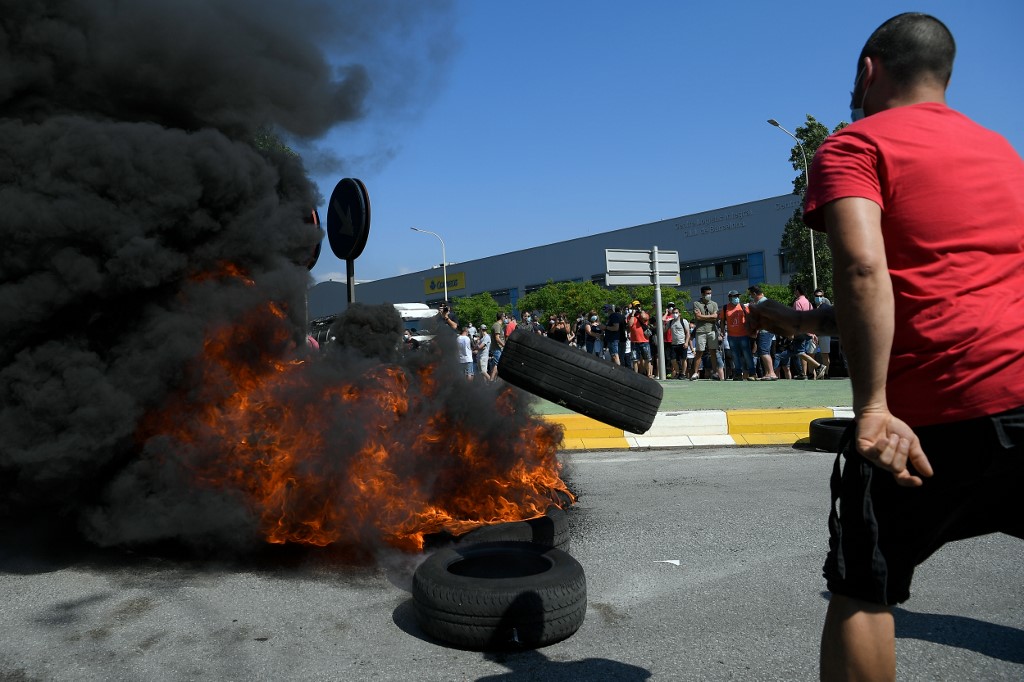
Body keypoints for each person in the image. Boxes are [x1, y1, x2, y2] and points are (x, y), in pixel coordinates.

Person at [747, 14, 1024, 681]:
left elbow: (866, 272)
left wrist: (871, 406)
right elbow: (940, 287)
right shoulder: (1003, 152)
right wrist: (807, 324)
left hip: (932, 415)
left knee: (864, 592)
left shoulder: (854, 147)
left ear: (870, 69)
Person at [691, 286, 722, 380]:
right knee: (699, 352)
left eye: (710, 293)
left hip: (712, 330)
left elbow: (716, 316)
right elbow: (698, 317)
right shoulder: (696, 303)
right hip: (701, 331)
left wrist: (703, 316)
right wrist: (710, 316)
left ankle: (715, 372)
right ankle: (695, 373)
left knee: (713, 351)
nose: (709, 295)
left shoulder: (714, 304)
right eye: (707, 293)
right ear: (702, 294)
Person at [722, 290, 755, 381]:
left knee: (747, 354)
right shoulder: (725, 308)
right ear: (729, 298)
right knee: (735, 355)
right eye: (734, 296)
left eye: (737, 296)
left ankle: (752, 373)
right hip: (731, 336)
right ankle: (738, 374)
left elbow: (750, 318)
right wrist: (722, 331)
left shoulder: (743, 306)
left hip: (744, 335)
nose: (736, 298)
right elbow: (722, 320)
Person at [747, 285, 778, 381]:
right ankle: (769, 372)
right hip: (769, 330)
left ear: (755, 294)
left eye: (751, 295)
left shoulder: (761, 303)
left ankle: (771, 373)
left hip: (765, 331)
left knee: (764, 352)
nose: (751, 297)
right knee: (766, 352)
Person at [626, 301, 652, 377]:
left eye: (638, 306)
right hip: (634, 341)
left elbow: (644, 317)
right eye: (635, 307)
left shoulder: (643, 315)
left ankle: (647, 373)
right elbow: (630, 324)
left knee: (647, 358)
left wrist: (640, 311)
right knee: (635, 359)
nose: (636, 308)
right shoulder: (630, 316)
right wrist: (633, 314)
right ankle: (636, 375)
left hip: (644, 341)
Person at [812, 289, 833, 378]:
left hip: (824, 334)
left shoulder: (826, 307)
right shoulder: (811, 306)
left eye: (821, 296)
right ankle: (812, 374)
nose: (819, 298)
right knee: (811, 354)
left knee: (825, 354)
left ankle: (826, 374)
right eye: (817, 296)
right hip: (813, 335)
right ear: (814, 297)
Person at [669, 310, 690, 380]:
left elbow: (687, 333)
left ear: (679, 313)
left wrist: (686, 342)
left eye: (676, 313)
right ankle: (678, 372)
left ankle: (683, 374)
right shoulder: (670, 322)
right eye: (673, 313)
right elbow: (664, 330)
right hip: (674, 343)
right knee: (673, 360)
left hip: (682, 343)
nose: (675, 314)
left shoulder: (683, 321)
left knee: (683, 359)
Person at [489, 312, 506, 380]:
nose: (505, 318)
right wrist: (504, 345)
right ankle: (491, 381)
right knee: (497, 365)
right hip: (497, 349)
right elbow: (497, 338)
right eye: (505, 316)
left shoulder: (498, 326)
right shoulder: (497, 325)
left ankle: (493, 380)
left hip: (498, 349)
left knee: (495, 366)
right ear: (501, 317)